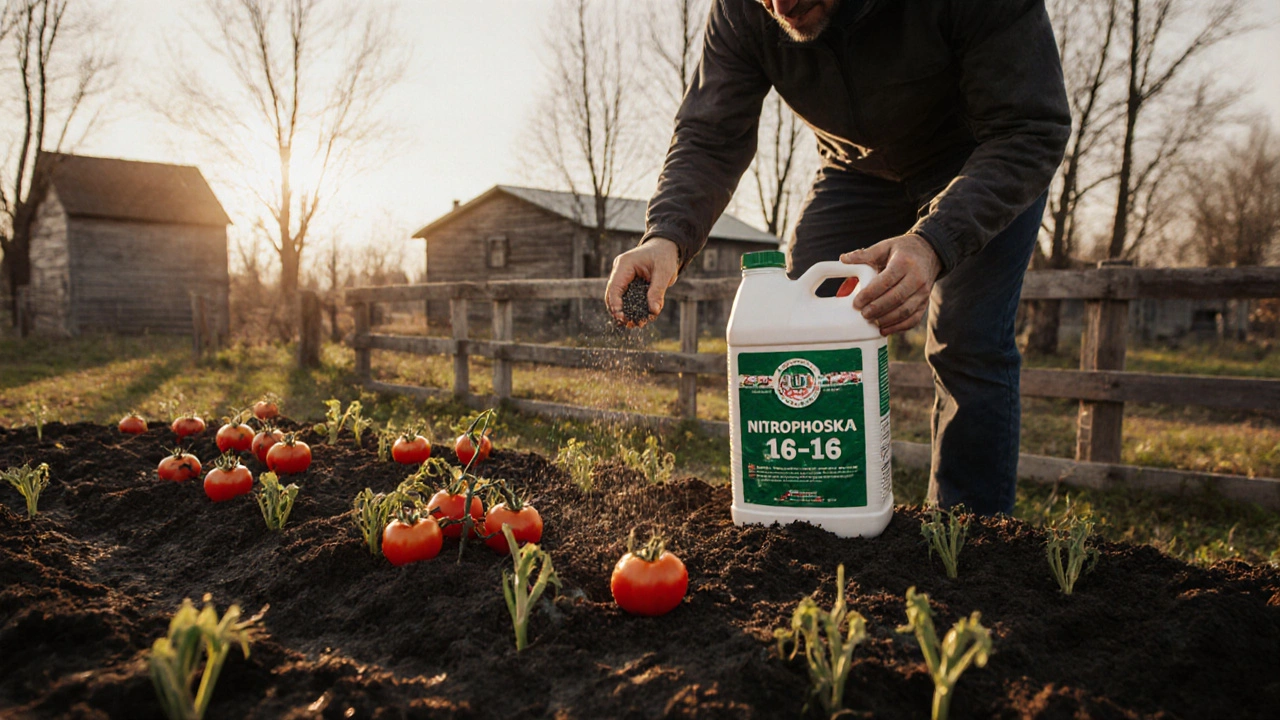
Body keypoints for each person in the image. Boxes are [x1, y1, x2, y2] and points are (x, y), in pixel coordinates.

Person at [604, 0, 1071, 515]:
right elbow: (710, 134)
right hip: (854, 170)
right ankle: (814, 513)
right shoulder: (741, 11)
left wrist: (935, 240)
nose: (782, 6)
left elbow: (1030, 127)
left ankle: (969, 535)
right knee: (800, 329)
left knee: (968, 341)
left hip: (982, 159)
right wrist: (666, 236)